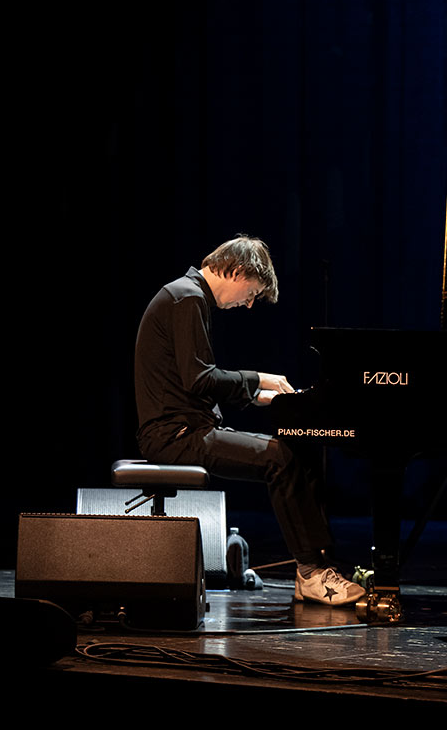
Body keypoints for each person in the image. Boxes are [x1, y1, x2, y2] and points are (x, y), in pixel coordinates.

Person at [134, 235, 366, 604]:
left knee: (295, 452)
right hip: (175, 436)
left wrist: (266, 397)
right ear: (238, 270)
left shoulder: (188, 295)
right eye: (252, 292)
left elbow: (194, 385)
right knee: (281, 459)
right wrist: (259, 379)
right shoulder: (187, 298)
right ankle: (311, 573)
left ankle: (316, 566)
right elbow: (200, 379)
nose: (248, 303)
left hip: (189, 428)